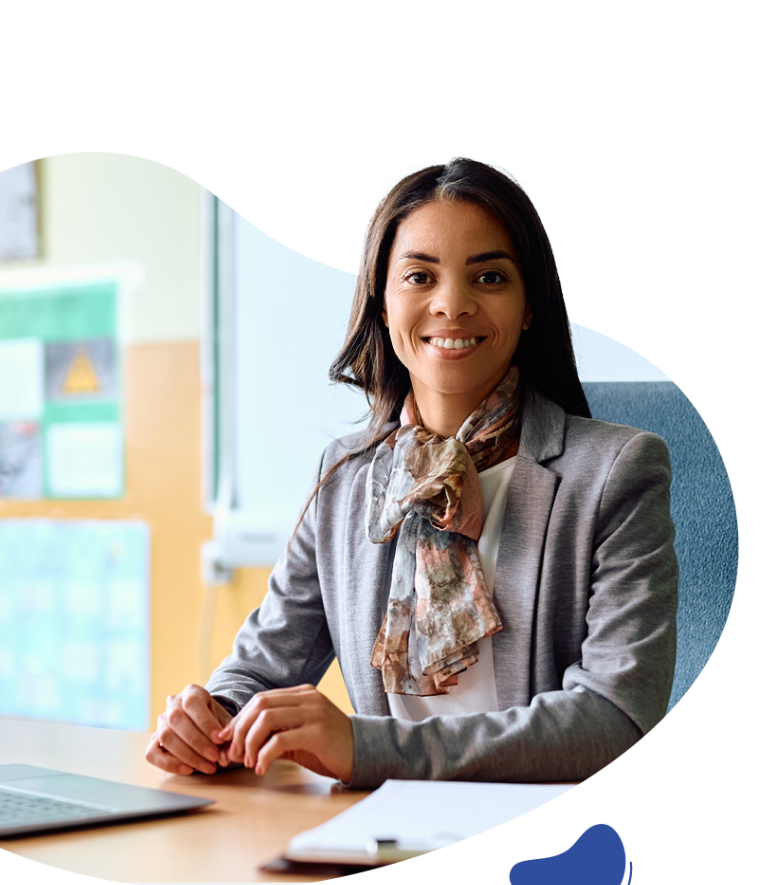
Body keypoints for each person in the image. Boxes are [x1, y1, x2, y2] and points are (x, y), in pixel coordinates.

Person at [145, 154, 679, 787]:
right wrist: (214, 717)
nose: (451, 305)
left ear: (530, 305)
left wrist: (369, 748)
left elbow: (615, 721)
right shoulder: (344, 475)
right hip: (378, 830)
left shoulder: (616, 473)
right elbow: (262, 667)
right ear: (381, 300)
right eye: (420, 277)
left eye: (489, 278)